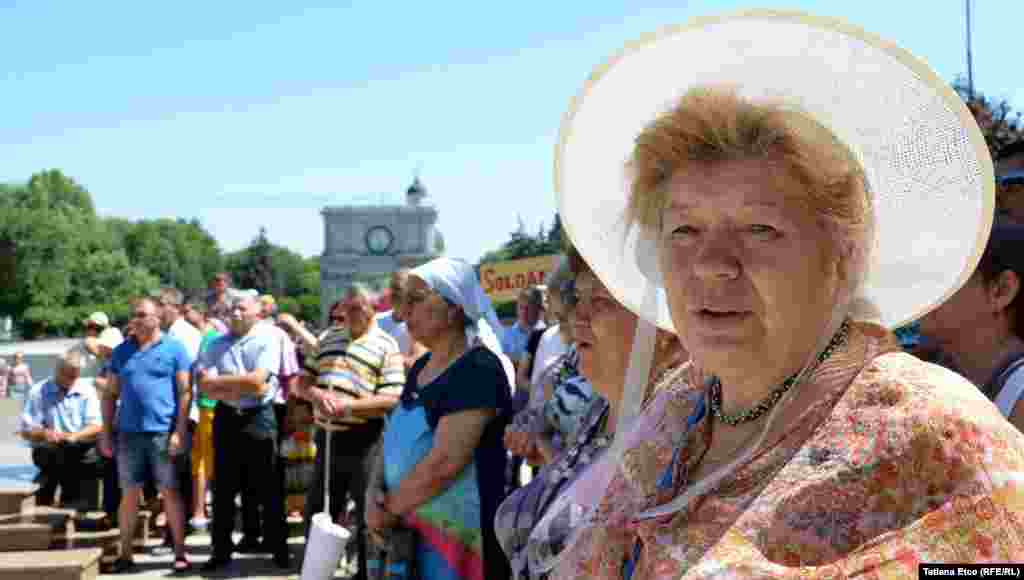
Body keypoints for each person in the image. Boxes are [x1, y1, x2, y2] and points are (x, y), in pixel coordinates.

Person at [547, 11, 1024, 577]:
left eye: (760, 230)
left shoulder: (939, 436)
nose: (713, 265)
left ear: (841, 254)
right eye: (684, 231)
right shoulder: (683, 404)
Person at [496, 248, 689, 580]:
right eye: (578, 299)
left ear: (665, 326)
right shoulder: (598, 410)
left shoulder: (684, 434)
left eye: (600, 301)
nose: (576, 318)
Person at [365, 257, 514, 580]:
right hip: (409, 531)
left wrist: (387, 509)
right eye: (405, 302)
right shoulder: (420, 367)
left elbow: (445, 463)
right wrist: (373, 494)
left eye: (417, 300)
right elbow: (393, 435)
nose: (404, 313)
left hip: (460, 544)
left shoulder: (479, 369)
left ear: (454, 307)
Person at [293, 284, 406, 580]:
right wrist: (316, 396)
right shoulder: (328, 338)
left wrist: (348, 407)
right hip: (328, 439)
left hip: (366, 439)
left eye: (356, 308)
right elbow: (301, 382)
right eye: (346, 308)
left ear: (373, 310)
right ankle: (317, 571)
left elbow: (393, 397)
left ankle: (366, 573)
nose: (349, 314)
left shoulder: (386, 345)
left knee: (368, 512)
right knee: (319, 508)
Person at [197, 291, 292, 572]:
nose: (235, 314)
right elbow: (204, 384)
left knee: (269, 487)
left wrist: (222, 383)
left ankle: (279, 549)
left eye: (241, 309)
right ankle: (220, 552)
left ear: (256, 312)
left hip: (258, 418)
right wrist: (242, 383)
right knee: (224, 490)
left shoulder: (268, 339)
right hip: (226, 418)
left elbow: (259, 383)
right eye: (231, 310)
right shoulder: (215, 343)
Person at [100, 297, 193, 573]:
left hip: (162, 433)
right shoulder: (121, 352)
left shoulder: (175, 349)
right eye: (134, 314)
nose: (136, 319)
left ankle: (179, 552)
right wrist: (106, 433)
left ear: (157, 317)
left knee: (170, 493)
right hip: (128, 434)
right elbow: (110, 394)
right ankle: (125, 554)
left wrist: (180, 430)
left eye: (142, 314)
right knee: (128, 494)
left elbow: (185, 392)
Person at [920, 221, 1024, 431]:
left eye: (946, 277)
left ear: (1001, 291)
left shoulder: (1019, 397)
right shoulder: (937, 371)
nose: (923, 289)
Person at [20, 350, 104, 510]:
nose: (72, 380)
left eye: (75, 376)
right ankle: (46, 509)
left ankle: (77, 508)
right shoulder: (38, 392)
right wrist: (44, 433)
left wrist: (75, 436)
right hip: (49, 448)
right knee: (53, 458)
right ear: (57, 371)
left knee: (88, 460)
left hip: (80, 447)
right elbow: (26, 430)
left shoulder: (86, 390)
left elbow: (96, 425)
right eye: (68, 376)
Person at [182, 301, 221, 529]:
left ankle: (200, 511)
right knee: (202, 460)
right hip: (204, 406)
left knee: (205, 461)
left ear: (201, 314)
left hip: (209, 406)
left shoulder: (211, 338)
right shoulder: (204, 337)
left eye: (189, 310)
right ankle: (201, 510)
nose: (185, 314)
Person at [375, 268, 429, 370]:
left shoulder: (421, 324)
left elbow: (416, 363)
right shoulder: (375, 321)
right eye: (394, 291)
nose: (395, 296)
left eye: (400, 292)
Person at [501, 287, 547, 369]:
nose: (524, 312)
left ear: (537, 309)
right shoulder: (506, 336)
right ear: (516, 309)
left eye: (528, 308)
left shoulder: (546, 333)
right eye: (521, 307)